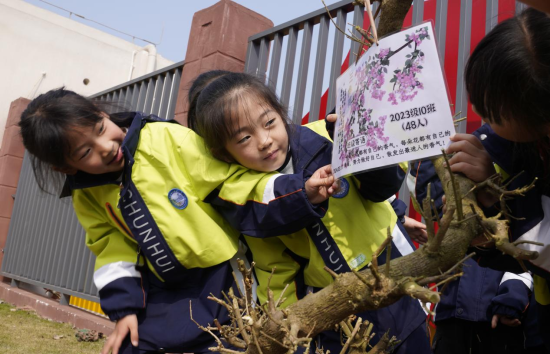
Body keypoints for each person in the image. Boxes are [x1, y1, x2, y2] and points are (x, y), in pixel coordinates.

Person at [18, 88, 337, 354]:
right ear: (66, 168)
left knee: (237, 343)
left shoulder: (163, 139)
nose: (105, 147)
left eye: (101, 129)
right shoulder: (86, 194)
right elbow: (112, 249)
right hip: (168, 288)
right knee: (130, 346)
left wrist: (298, 192)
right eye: (85, 151)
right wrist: (125, 308)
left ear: (102, 114)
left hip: (225, 275)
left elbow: (230, 182)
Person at [189, 71, 431, 354]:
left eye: (269, 123)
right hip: (336, 304)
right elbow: (275, 270)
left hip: (391, 268)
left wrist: (361, 141)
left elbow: (383, 186)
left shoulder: (323, 134)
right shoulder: (252, 197)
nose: (264, 140)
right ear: (224, 155)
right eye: (244, 138)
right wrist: (291, 332)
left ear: (280, 113)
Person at [433, 7, 550, 351]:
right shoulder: (501, 140)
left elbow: (536, 242)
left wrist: (501, 194)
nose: (483, 117)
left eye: (494, 111)